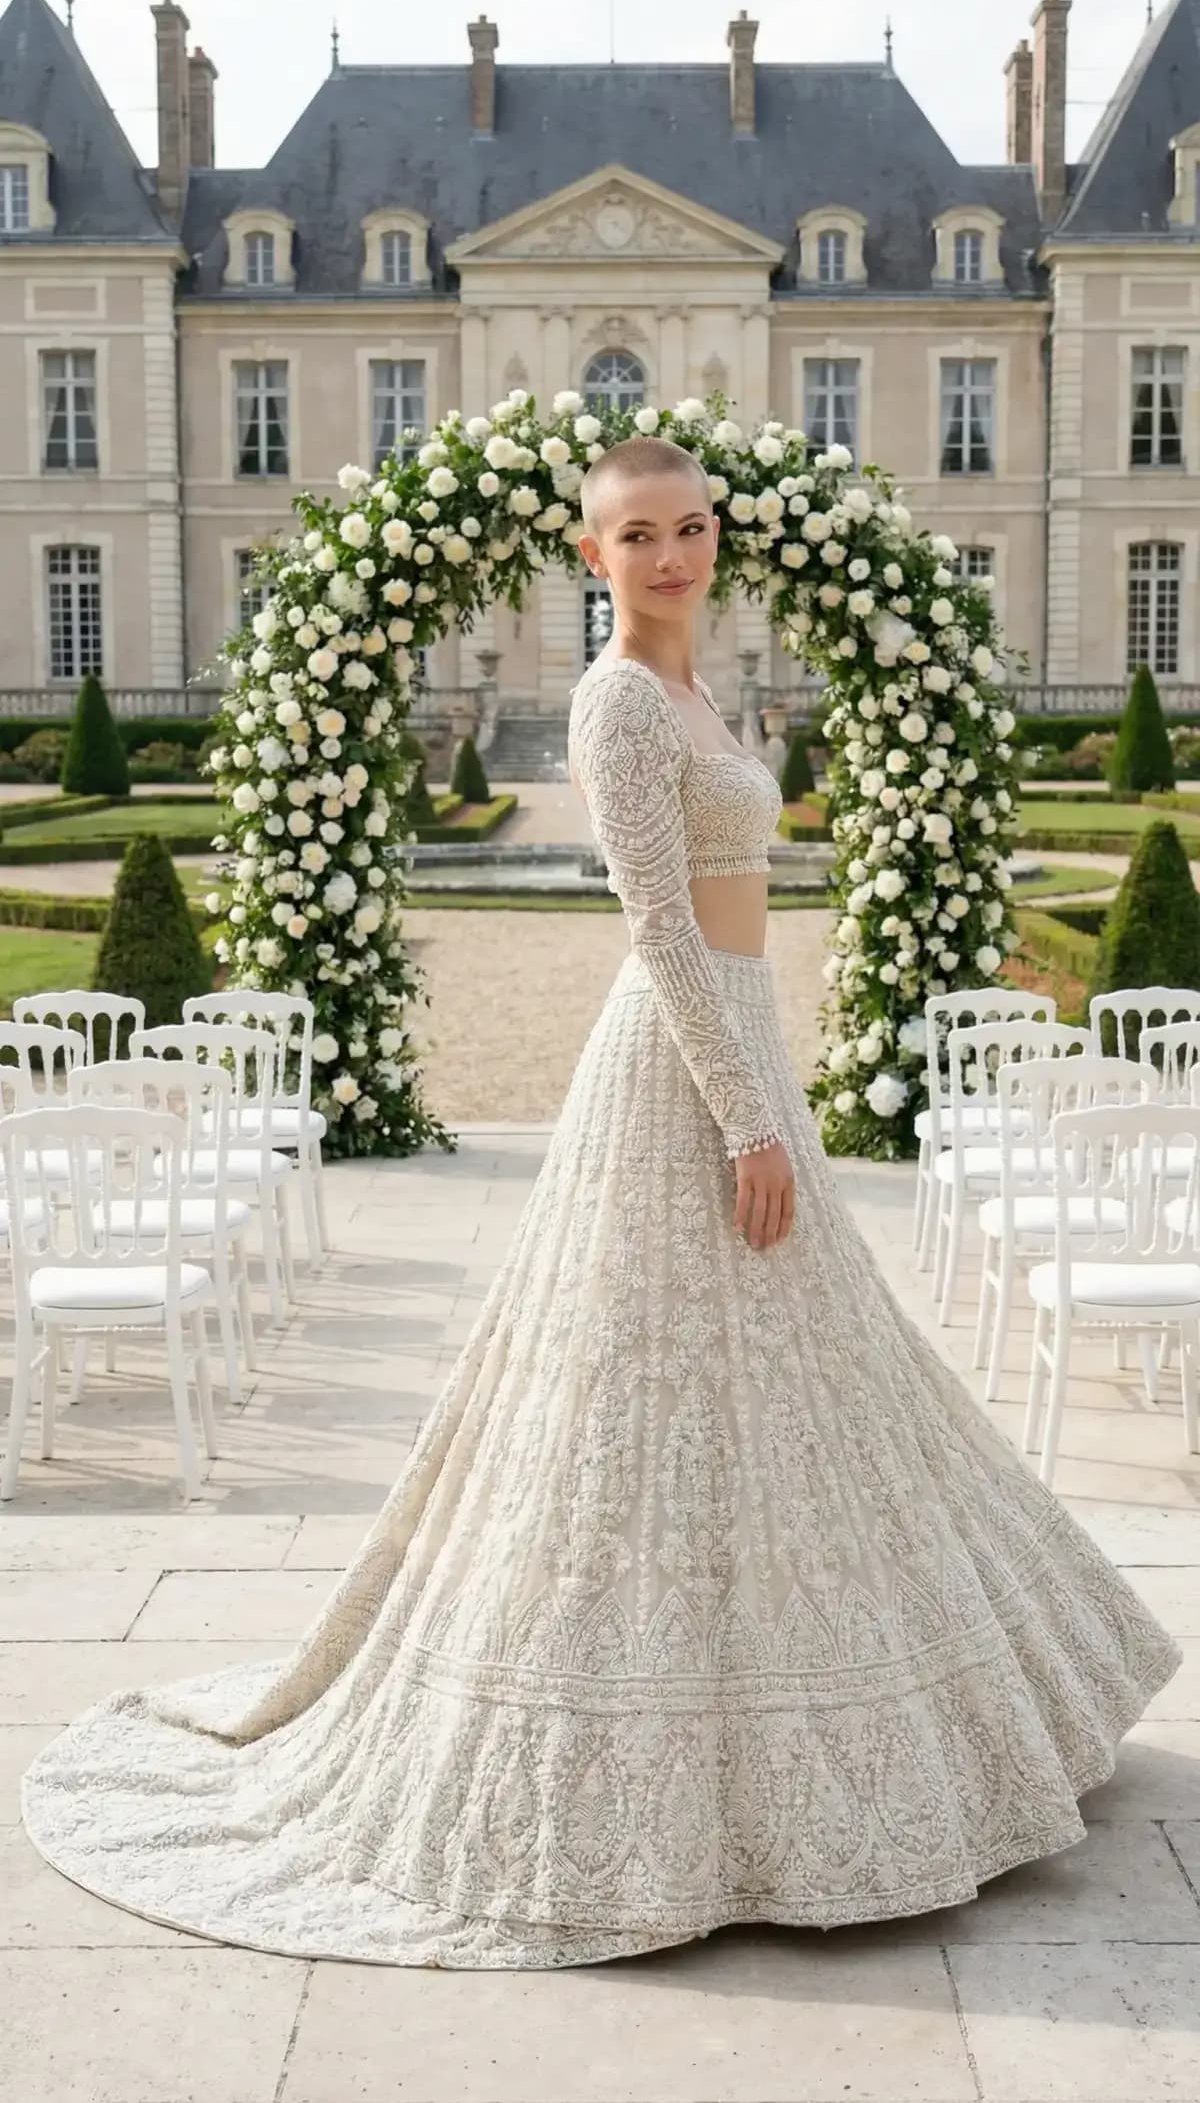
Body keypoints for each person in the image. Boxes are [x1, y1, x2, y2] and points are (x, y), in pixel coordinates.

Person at [20, 437, 1181, 1972]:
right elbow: (655, 920)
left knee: (811, 1379)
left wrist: (764, 1089)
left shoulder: (699, 696)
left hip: (742, 1036)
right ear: (593, 555)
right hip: (683, 1064)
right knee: (642, 1396)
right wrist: (748, 1116)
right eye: (638, 534)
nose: (672, 554)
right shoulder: (619, 699)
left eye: (691, 527)